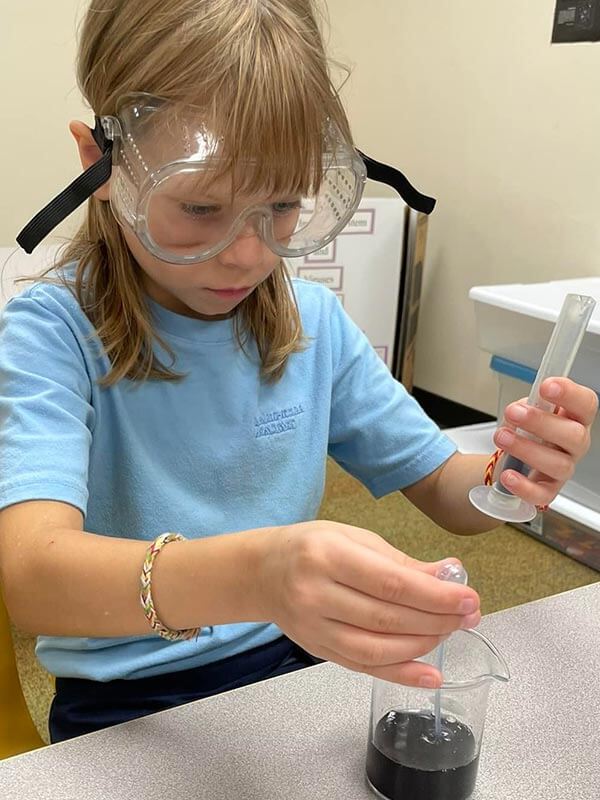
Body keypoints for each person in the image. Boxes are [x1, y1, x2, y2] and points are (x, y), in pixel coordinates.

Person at [0, 0, 596, 744]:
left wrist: (511, 475)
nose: (248, 254)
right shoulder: (51, 331)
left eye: (282, 204)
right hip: (126, 698)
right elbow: (31, 578)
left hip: (295, 657)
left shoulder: (311, 320)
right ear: (103, 167)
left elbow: (448, 492)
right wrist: (258, 575)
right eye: (200, 206)